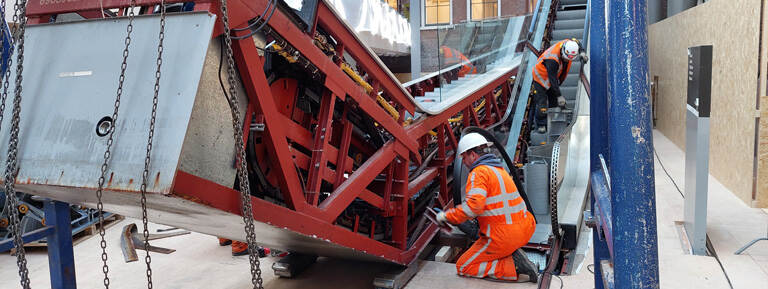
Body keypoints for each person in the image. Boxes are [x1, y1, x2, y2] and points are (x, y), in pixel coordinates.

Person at [436, 133, 538, 282]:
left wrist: (447, 216)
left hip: (504, 237)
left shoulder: (478, 173)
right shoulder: (499, 170)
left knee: (464, 266)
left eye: (464, 157)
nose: (463, 162)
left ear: (472, 155)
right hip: (525, 228)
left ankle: (514, 266)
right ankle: (510, 255)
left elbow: (473, 208)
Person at [531, 39, 587, 133]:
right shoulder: (552, 60)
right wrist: (559, 96)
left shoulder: (569, 43)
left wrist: (582, 52)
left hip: (552, 76)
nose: (566, 60)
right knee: (542, 103)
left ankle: (551, 119)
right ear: (563, 51)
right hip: (540, 78)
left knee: (553, 101)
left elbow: (576, 41)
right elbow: (552, 80)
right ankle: (540, 124)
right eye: (566, 58)